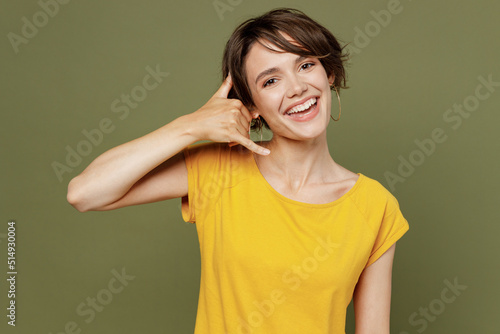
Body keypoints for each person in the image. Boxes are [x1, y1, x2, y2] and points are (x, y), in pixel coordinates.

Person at [67, 7, 409, 334]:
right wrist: (190, 127)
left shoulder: (375, 207)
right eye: (271, 81)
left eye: (305, 65)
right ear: (251, 106)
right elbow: (84, 193)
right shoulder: (218, 169)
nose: (296, 88)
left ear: (328, 72)